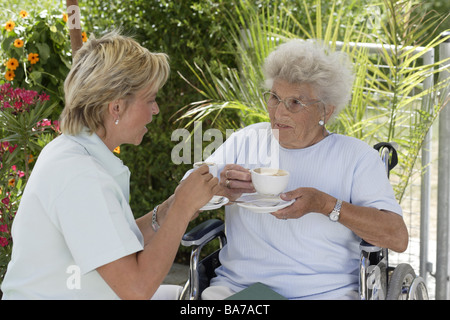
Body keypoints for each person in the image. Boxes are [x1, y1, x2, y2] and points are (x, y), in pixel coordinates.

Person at [1, 31, 219, 300]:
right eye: (150, 99)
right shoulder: (81, 176)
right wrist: (182, 210)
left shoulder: (71, 152)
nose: (156, 109)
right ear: (115, 107)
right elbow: (136, 290)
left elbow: (112, 244)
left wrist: (168, 209)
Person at [199, 39, 408, 300]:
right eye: (274, 98)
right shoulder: (246, 140)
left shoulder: (356, 157)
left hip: (324, 294)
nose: (278, 113)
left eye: (295, 103)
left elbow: (397, 237)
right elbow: (188, 190)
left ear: (326, 111)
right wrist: (220, 187)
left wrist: (327, 205)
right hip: (239, 291)